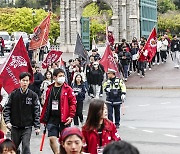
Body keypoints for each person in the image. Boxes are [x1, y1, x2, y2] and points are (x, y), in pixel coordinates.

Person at [40, 68, 77, 154]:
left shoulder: (68, 89)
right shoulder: (49, 89)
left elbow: (73, 103)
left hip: (64, 118)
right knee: (52, 139)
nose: (62, 78)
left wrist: (71, 116)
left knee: (65, 140)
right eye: (60, 76)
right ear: (55, 77)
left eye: (63, 76)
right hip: (52, 118)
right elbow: (46, 104)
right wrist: (44, 117)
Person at [3, 72, 40, 154]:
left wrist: (37, 126)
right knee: (14, 148)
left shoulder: (33, 95)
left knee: (26, 147)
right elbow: (7, 108)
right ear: (19, 81)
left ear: (29, 82)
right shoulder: (13, 94)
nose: (25, 83)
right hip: (15, 127)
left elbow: (36, 111)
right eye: (23, 80)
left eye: (27, 81)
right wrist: (8, 121)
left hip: (27, 127)